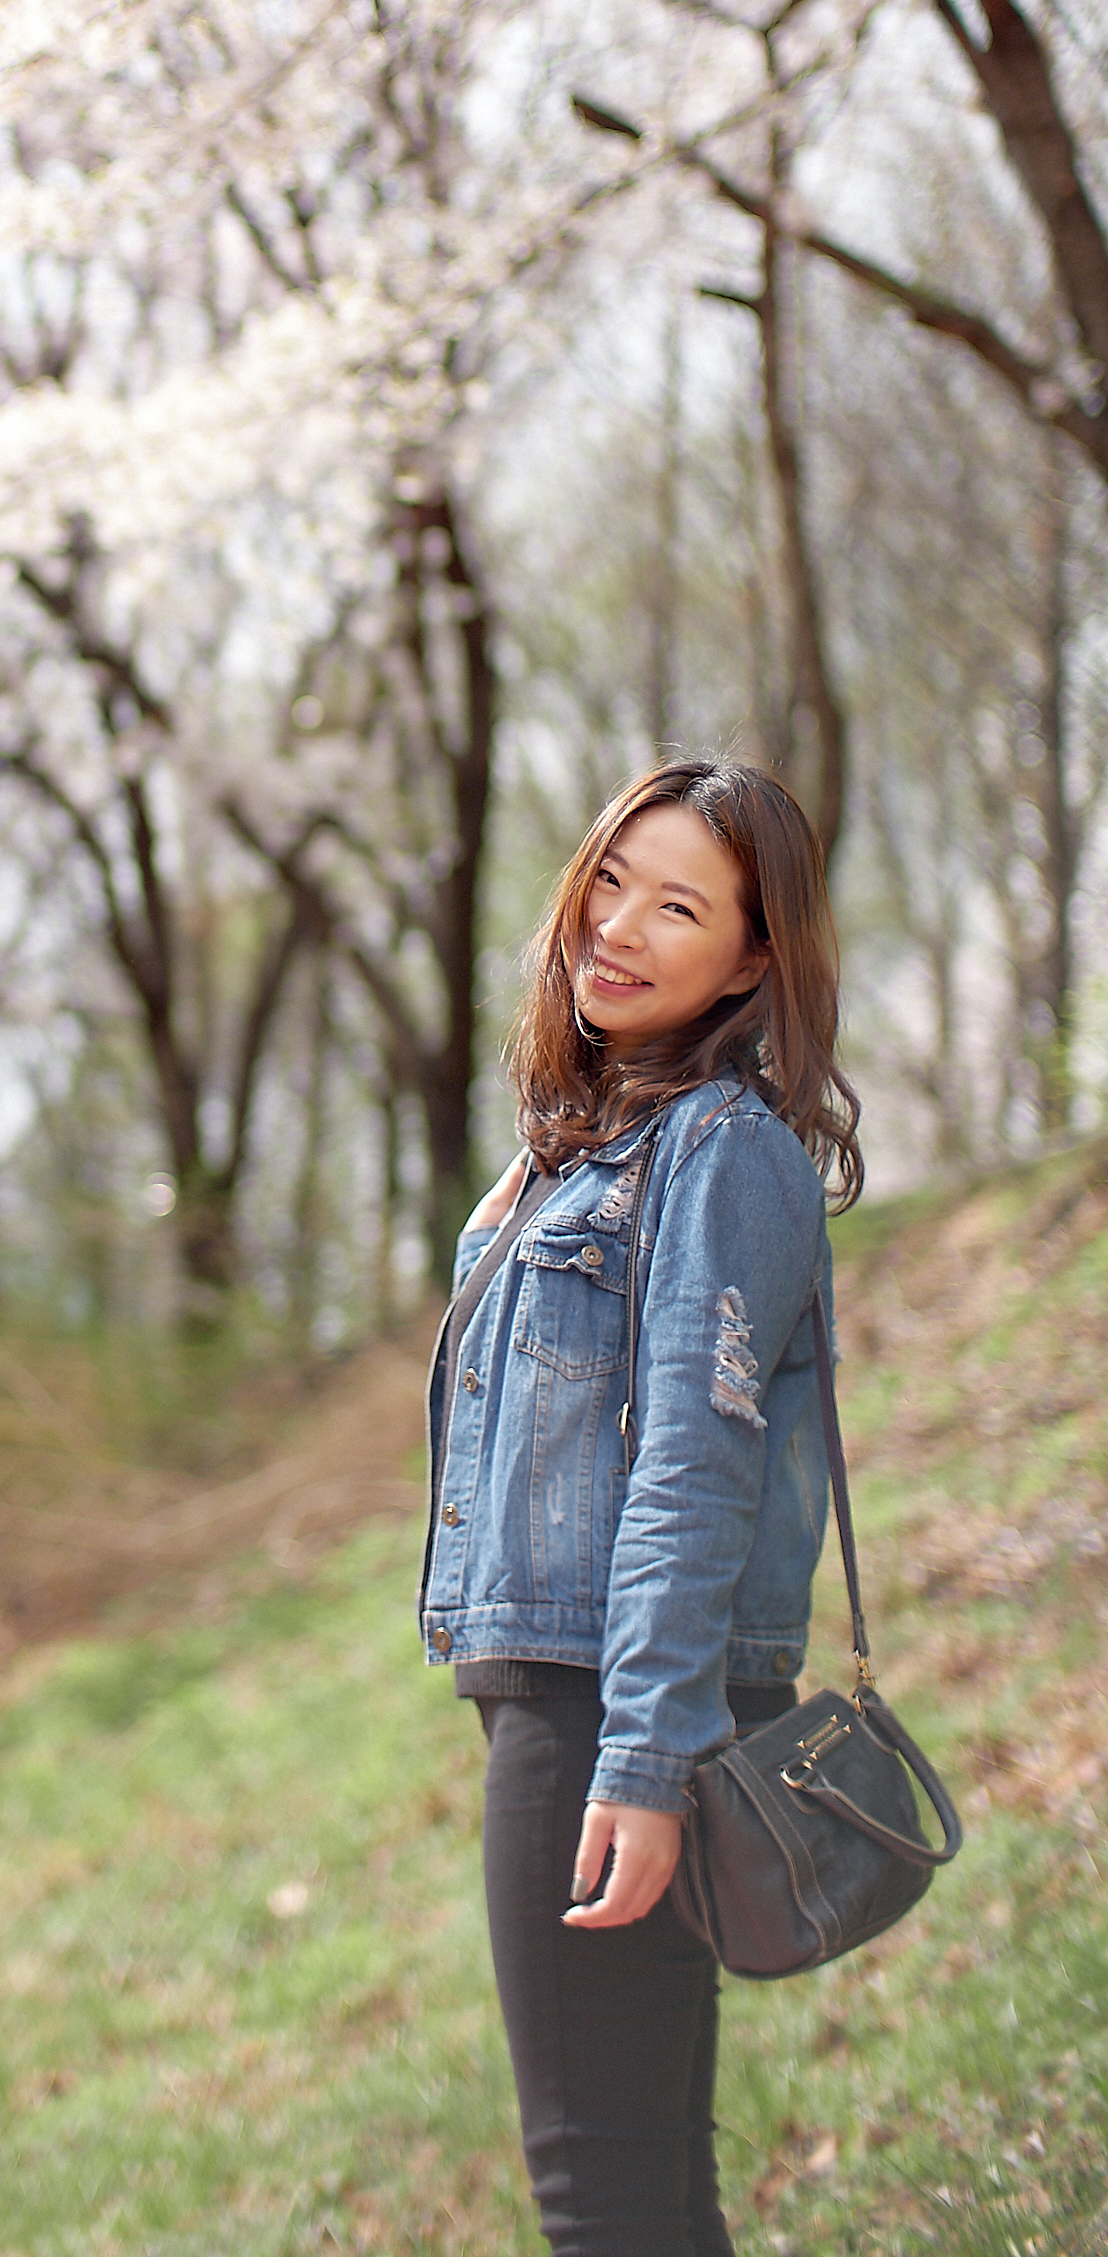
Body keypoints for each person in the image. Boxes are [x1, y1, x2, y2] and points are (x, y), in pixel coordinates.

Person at [419, 758, 862, 2257]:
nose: (618, 924)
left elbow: (695, 1465)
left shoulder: (722, 1154)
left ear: (751, 959)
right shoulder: (596, 1139)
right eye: (611, 878)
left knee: (599, 2194)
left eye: (678, 907)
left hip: (610, 1703)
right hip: (588, 1698)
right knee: (653, 2189)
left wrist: (645, 1757)